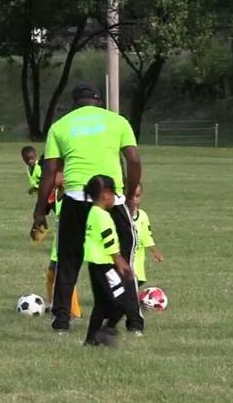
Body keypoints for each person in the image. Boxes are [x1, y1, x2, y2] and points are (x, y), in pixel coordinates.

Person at [32, 83, 143, 333]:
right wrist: (127, 195)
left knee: (68, 261)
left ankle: (61, 320)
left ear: (75, 103)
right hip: (109, 200)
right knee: (122, 259)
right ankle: (134, 322)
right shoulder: (118, 122)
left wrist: (40, 209)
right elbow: (134, 160)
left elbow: (50, 171)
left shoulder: (60, 126)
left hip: (75, 198)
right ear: (98, 102)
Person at [82, 175, 138, 347]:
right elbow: (109, 240)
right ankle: (107, 330)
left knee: (100, 304)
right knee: (123, 302)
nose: (115, 197)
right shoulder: (104, 217)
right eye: (113, 193)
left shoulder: (93, 213)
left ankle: (90, 340)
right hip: (105, 265)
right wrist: (119, 261)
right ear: (106, 194)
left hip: (94, 265)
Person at [44, 171, 82, 319]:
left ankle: (73, 311)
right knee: (51, 273)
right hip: (59, 240)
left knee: (64, 274)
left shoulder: (72, 196)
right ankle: (54, 304)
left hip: (69, 240)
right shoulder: (56, 195)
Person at [131, 183, 164, 288]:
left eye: (137, 196)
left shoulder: (143, 216)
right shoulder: (119, 215)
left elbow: (146, 236)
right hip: (124, 261)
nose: (134, 199)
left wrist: (155, 252)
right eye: (131, 196)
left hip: (138, 262)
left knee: (135, 284)